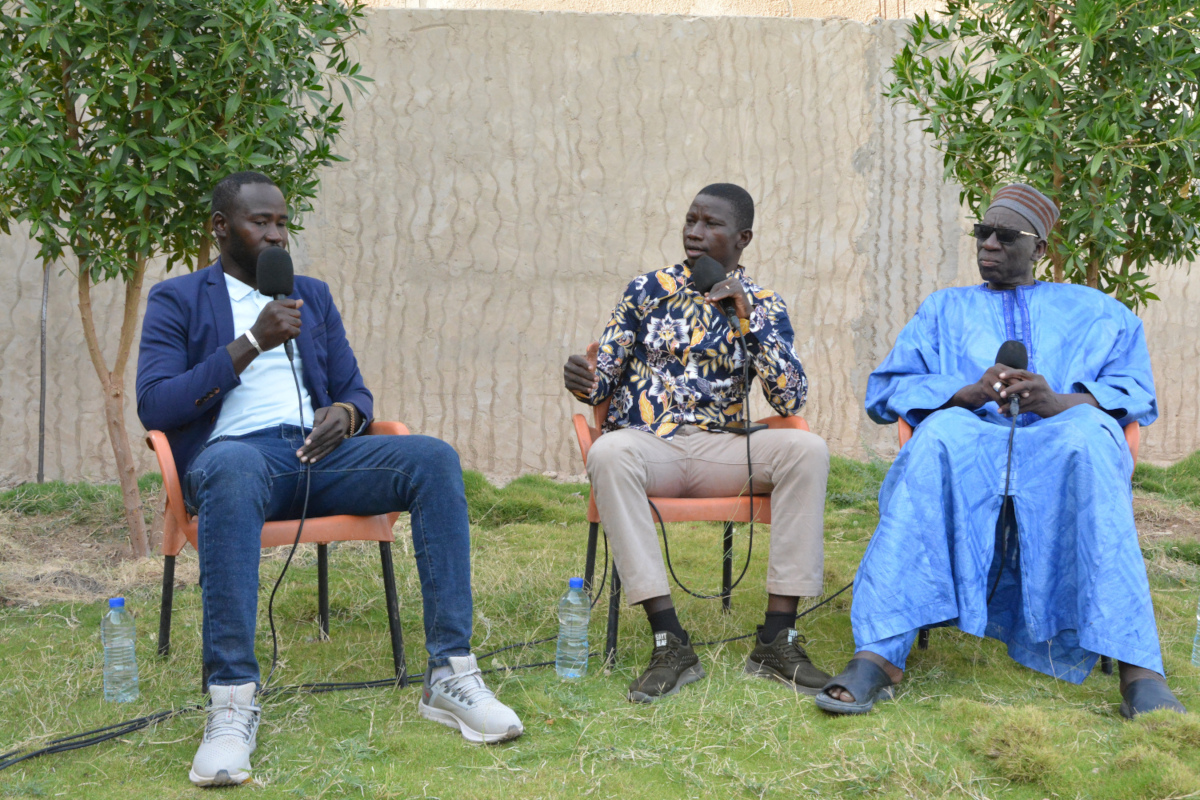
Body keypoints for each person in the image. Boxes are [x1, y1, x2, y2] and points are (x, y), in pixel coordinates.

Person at [136, 172, 524, 787]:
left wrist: (346, 415)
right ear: (220, 228)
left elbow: (355, 391)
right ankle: (231, 701)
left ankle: (450, 673)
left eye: (282, 223)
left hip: (318, 456)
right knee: (234, 467)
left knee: (433, 458)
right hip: (235, 459)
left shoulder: (310, 296)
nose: (275, 235)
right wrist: (251, 342)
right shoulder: (177, 299)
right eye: (260, 222)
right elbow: (156, 404)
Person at [814, 183, 1188, 719]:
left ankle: (1140, 671)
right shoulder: (943, 309)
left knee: (1089, 439)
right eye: (982, 232)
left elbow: (1136, 392)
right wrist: (966, 393)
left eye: (1005, 236)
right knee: (939, 436)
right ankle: (879, 654)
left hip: (1060, 441)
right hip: (973, 439)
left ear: (1040, 249)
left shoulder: (1098, 312)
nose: (988, 244)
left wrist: (1058, 401)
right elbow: (886, 389)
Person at [563, 183, 831, 703]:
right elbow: (601, 380)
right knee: (608, 452)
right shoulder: (646, 290)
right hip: (650, 445)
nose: (695, 232)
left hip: (723, 448)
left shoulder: (764, 304)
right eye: (691, 220)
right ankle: (670, 642)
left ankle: (777, 640)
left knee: (808, 449)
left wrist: (747, 321)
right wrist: (582, 378)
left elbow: (789, 398)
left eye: (711, 224)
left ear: (742, 238)